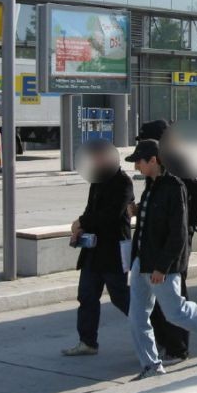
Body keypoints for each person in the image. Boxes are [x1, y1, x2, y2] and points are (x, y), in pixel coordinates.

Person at [125, 139, 197, 380]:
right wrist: (138, 210)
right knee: (137, 316)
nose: (137, 168)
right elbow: (152, 220)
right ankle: (151, 365)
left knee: (176, 312)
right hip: (141, 261)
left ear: (153, 160)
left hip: (160, 266)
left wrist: (162, 267)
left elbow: (179, 233)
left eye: (139, 162)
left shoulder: (175, 187)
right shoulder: (151, 186)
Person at [135, 119, 197, 364]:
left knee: (175, 295)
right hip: (157, 239)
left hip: (175, 241)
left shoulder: (176, 161)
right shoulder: (159, 164)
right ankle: (164, 342)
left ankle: (178, 347)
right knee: (154, 295)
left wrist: (187, 223)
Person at [62, 139, 134, 357]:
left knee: (120, 296)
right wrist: (80, 227)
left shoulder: (123, 182)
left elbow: (110, 216)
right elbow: (91, 209)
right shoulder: (97, 180)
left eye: (98, 156)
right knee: (86, 295)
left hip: (113, 249)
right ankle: (87, 341)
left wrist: (83, 222)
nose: (95, 160)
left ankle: (154, 327)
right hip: (93, 250)